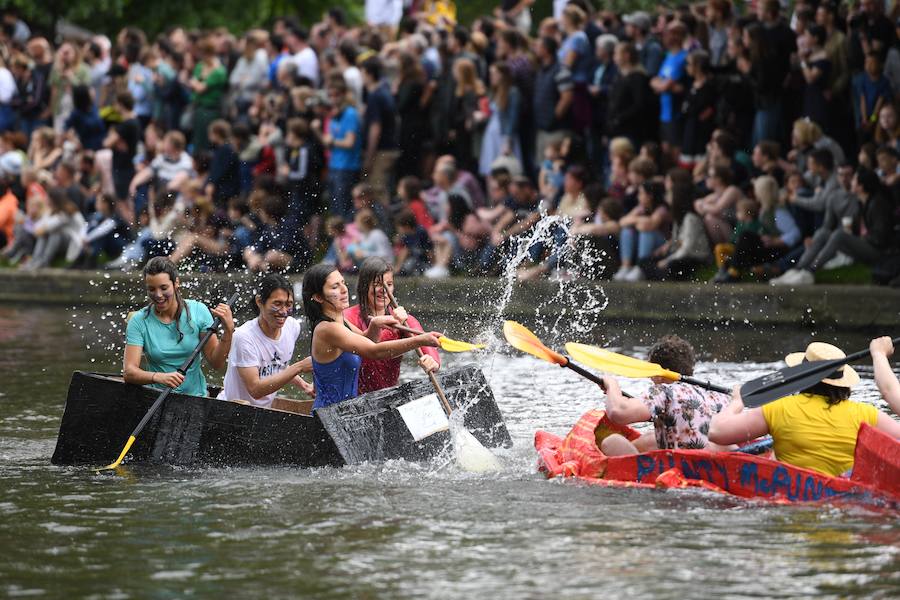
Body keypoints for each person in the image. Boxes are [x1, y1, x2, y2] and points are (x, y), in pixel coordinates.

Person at [709, 340, 900, 477]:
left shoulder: (780, 408)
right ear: (843, 381)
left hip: (786, 499)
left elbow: (717, 433)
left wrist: (737, 402)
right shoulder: (866, 414)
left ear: (799, 375)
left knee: (715, 448)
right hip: (840, 500)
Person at [301, 262, 440, 409]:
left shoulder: (343, 322)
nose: (344, 290)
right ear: (318, 297)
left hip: (349, 410)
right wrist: (419, 340)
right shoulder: (328, 329)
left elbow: (365, 340)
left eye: (343, 283)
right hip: (328, 414)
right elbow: (374, 351)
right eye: (335, 287)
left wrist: (375, 325)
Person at [599, 335, 734, 455]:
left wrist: (612, 386)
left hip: (679, 470)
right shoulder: (717, 396)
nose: (650, 378)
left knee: (612, 442)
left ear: (659, 374)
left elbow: (618, 412)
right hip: (710, 465)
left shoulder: (664, 391)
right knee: (651, 438)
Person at [123, 257, 234, 397]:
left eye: (164, 288)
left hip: (196, 398)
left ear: (176, 283)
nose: (158, 295)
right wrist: (158, 377)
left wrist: (228, 331)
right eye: (151, 289)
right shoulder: (138, 321)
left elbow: (216, 363)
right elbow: (129, 372)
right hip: (156, 398)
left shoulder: (199, 311)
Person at [344, 257, 440, 394]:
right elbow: (369, 349)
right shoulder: (347, 318)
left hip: (388, 395)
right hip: (352, 398)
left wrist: (433, 361)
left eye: (389, 285)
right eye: (378, 284)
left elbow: (425, 340)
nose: (384, 290)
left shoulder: (404, 320)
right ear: (364, 286)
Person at [219, 274, 313, 408]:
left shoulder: (292, 327)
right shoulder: (244, 337)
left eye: (288, 304)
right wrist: (299, 367)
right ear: (259, 302)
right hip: (232, 411)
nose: (283, 312)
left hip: (262, 413)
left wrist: (303, 385)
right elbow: (255, 390)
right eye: (277, 304)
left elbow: (278, 365)